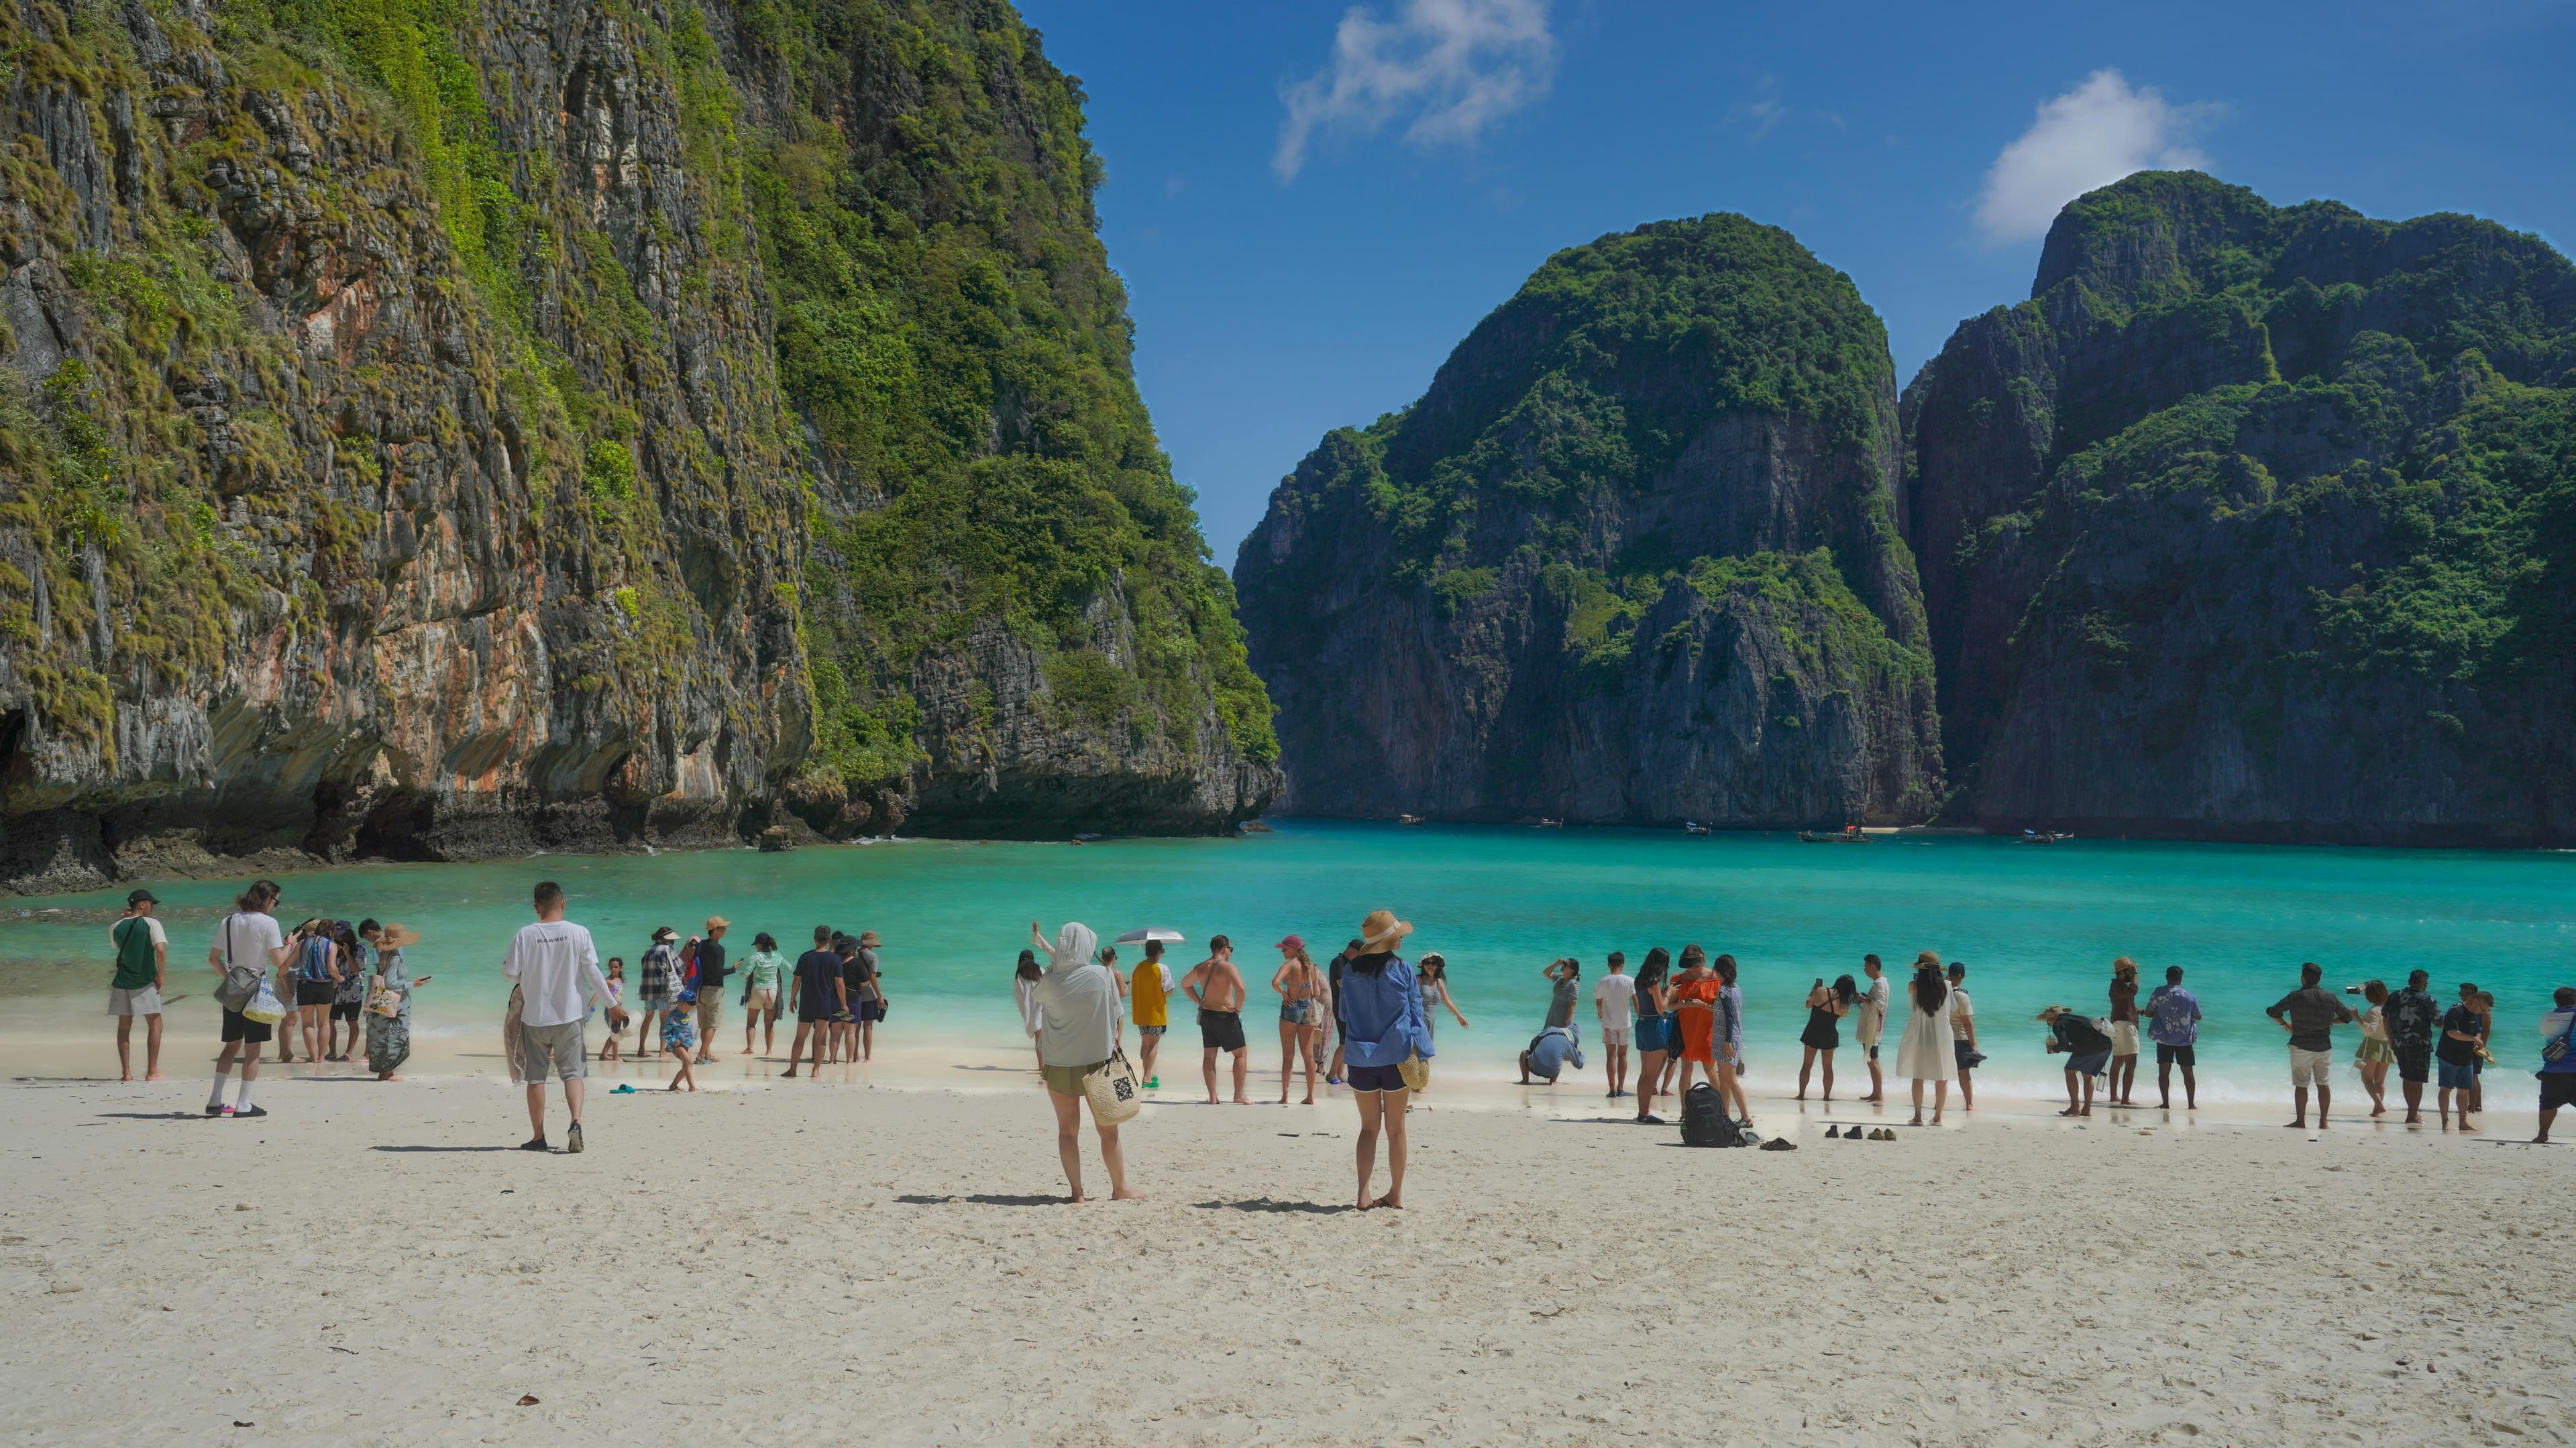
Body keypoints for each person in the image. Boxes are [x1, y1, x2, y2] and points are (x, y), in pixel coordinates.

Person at [1028, 920, 1138, 1202]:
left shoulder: (1049, 982)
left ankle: (1077, 1193)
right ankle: (1120, 1188)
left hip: (1059, 1063)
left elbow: (1039, 993)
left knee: (1067, 1132)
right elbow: (1117, 1013)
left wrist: (1055, 963)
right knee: (1109, 1131)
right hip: (1097, 1062)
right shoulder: (1103, 975)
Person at [502, 881, 616, 1152]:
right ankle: (576, 1122)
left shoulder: (525, 935)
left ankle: (538, 1137)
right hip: (570, 1016)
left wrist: (530, 976)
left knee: (536, 1078)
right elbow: (593, 973)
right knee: (574, 1074)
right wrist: (612, 1005)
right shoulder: (579, 932)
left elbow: (510, 974)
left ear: (536, 908)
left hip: (536, 1017)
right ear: (563, 903)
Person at [1340, 910, 1432, 1211]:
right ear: (1390, 940)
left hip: (1360, 1057)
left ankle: (1363, 1195)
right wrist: (1424, 1050)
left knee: (1368, 1129)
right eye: (1398, 935)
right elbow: (1416, 1012)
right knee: (1396, 1130)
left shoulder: (1350, 972)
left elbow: (1343, 1014)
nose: (1401, 938)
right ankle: (1396, 1194)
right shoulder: (1402, 969)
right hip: (1396, 1057)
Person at [206, 880, 293, 1118]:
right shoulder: (268, 923)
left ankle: (214, 1101)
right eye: (276, 902)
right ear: (267, 899)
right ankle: (244, 1104)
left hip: (234, 989)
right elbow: (278, 961)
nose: (275, 906)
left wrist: (231, 980)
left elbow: (213, 958)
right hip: (257, 991)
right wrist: (290, 944)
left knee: (231, 1045)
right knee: (253, 1048)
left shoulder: (228, 921)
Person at [2265, 962, 2358, 1130]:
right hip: (2324, 1047)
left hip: (2301, 1045)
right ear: (2320, 979)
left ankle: (2301, 1121)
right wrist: (2329, 1022)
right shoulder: (2330, 997)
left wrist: (2283, 1023)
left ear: (2303, 978)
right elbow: (2347, 1018)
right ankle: (2324, 1122)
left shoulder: (2295, 997)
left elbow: (2272, 1011)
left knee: (2301, 1084)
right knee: (2323, 1084)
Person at [1181, 934, 1250, 1105]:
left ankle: (1213, 1097)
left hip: (1207, 1015)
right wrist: (1238, 1009)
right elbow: (1241, 989)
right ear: (1225, 948)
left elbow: (1185, 984)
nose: (1231, 952)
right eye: (1231, 949)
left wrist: (1199, 1001)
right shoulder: (1227, 967)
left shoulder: (1200, 967)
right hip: (1225, 1017)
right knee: (1241, 1054)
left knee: (1209, 1056)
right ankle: (1239, 1095)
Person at [108, 887, 168, 1082]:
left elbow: (117, 946)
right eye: (151, 904)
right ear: (142, 904)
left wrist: (125, 919)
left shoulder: (115, 926)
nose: (153, 908)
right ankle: (152, 1072)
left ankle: (126, 1073)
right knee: (155, 1023)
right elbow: (160, 950)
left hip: (122, 981)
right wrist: (160, 976)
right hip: (144, 981)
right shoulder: (152, 923)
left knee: (124, 1026)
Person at [1892, 955, 1953, 1126]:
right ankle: (1938, 1117)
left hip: (1921, 1035)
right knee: (1941, 1077)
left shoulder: (1914, 986)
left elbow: (1912, 1007)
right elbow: (1952, 1008)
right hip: (1941, 1037)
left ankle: (1918, 1116)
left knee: (1918, 1076)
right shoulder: (1948, 986)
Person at [364, 923, 426, 1079]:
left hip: (385, 1002)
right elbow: (391, 983)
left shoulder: (385, 954)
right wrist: (413, 984)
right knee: (393, 1034)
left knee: (385, 1034)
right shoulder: (395, 955)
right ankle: (387, 1073)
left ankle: (386, 1072)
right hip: (396, 1004)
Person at [782, 927, 846, 1078]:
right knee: (821, 1039)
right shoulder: (835, 960)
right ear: (829, 940)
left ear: (814, 939)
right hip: (825, 1005)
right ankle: (816, 1071)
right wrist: (843, 1004)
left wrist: (792, 999)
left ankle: (793, 1070)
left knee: (800, 1038)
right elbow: (839, 983)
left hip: (807, 1004)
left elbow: (797, 980)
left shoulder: (805, 957)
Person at [1271, 942, 1326, 1105]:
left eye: (1285, 948)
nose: (1282, 951)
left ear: (1295, 949)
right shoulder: (1311, 967)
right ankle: (1310, 1097)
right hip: (1308, 1009)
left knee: (1288, 1056)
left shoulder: (1289, 966)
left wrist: (1284, 995)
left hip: (1291, 1008)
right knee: (1309, 1057)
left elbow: (1275, 983)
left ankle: (1285, 1097)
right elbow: (1317, 993)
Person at [2383, 970, 2440, 1125]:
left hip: (2399, 1043)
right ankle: (2412, 1116)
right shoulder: (2429, 1000)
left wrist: (2390, 1038)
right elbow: (2439, 1022)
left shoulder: (2395, 996)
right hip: (2419, 1045)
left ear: (2409, 981)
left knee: (2407, 1077)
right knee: (2416, 1081)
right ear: (2425, 984)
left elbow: (2385, 1017)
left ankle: (2412, 1112)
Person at [2144, 965, 2202, 1109]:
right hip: (2184, 1040)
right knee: (2188, 1073)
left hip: (2164, 1039)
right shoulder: (2189, 996)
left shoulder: (2158, 993)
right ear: (2180, 979)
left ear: (2166, 977)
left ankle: (2166, 1104)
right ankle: (2191, 1105)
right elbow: (2198, 1016)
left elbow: (2149, 1013)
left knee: (2164, 1073)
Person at [1668, 945, 1721, 1100]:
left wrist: (1702, 1005)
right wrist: (1683, 1005)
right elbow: (1670, 1006)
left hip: (1708, 1030)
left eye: (1694, 965)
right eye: (1688, 966)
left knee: (1710, 1069)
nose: (1691, 969)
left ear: (1701, 961)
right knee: (1686, 1070)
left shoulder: (1715, 978)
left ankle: (1721, 1107)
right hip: (1686, 1031)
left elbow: (1721, 1010)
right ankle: (1685, 1110)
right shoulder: (1678, 979)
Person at [2039, 1005, 2113, 1115]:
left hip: (2092, 1046)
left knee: (2069, 1071)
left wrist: (2053, 1050)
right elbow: (2076, 1047)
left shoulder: (2058, 1023)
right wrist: (2058, 1048)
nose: (2049, 1024)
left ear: (2051, 1019)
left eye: (2048, 1022)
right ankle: (2086, 1110)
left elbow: (2064, 1044)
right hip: (2106, 1045)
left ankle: (2075, 1107)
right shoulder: (2074, 1020)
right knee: (2087, 1075)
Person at [288, 917, 339, 1065]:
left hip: (305, 985)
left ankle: (313, 1058)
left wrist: (280, 975)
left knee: (307, 1024)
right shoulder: (332, 945)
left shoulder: (303, 943)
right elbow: (332, 968)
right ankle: (322, 1057)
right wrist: (340, 978)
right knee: (324, 1023)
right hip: (324, 986)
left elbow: (288, 962)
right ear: (331, 931)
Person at [1630, 948, 1673, 1124]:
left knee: (1645, 1073)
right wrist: (1669, 994)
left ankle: (1642, 1112)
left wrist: (1663, 993)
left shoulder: (1640, 979)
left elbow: (1650, 1002)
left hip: (1641, 1024)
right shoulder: (1654, 981)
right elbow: (1661, 1009)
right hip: (1654, 1025)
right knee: (1651, 1074)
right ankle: (1645, 1113)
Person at [1796, 975, 1856, 1103]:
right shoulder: (1845, 1005)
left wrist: (1813, 991)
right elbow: (1838, 1016)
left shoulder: (1820, 991)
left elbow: (1808, 1005)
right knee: (1828, 1067)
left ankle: (1801, 1095)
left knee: (1807, 1065)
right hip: (1829, 1034)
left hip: (1813, 1031)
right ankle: (1826, 1097)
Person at [1132, 940, 1180, 1088]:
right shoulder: (1162, 968)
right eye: (1162, 951)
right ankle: (1147, 1076)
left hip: (1141, 1011)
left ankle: (1145, 1074)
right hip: (1156, 1012)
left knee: (1145, 1043)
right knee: (1154, 1044)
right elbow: (1169, 990)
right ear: (1159, 952)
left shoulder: (1139, 967)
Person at [2436, 981, 2483, 1131]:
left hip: (2466, 1056)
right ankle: (2445, 1122)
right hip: (2448, 1055)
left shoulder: (2479, 1011)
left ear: (2475, 997)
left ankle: (2463, 1122)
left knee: (2464, 1090)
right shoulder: (2455, 1010)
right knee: (2446, 1088)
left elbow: (2479, 1029)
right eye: (2461, 994)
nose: (2463, 996)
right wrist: (2474, 1039)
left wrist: (2478, 1041)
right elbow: (2452, 1033)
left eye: (2466, 994)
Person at [2534, 986, 2576, 1144]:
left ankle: (2543, 1135)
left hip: (2554, 1068)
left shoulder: (2548, 1017)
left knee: (2548, 1103)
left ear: (2557, 1001)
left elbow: (2544, 1033)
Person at [1715, 955, 1752, 1123]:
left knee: (1730, 1080)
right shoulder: (1735, 988)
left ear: (1718, 971)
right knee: (1723, 1079)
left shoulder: (1724, 991)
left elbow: (1729, 1018)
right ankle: (1725, 1115)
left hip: (1726, 1038)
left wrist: (1727, 1042)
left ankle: (1746, 1118)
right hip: (1733, 1036)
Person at [1594, 952, 1635, 1099]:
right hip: (1625, 1023)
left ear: (1609, 965)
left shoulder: (1603, 981)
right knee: (1623, 1055)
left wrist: (1600, 1012)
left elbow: (1599, 1001)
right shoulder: (1630, 980)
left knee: (1611, 1056)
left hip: (1608, 1024)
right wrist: (1640, 1015)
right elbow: (1635, 1000)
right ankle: (1621, 1088)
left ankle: (1612, 1090)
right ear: (1622, 965)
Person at [739, 933, 786, 1058]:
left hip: (758, 992)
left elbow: (746, 974)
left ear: (759, 944)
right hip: (772, 992)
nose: (756, 947)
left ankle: (750, 1048)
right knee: (769, 1024)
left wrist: (740, 973)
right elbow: (790, 968)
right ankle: (769, 1052)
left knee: (751, 1023)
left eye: (756, 944)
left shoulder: (755, 956)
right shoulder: (777, 956)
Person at [2351, 979, 2394, 1116]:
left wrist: (2356, 1017)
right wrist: (2364, 987)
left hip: (2373, 1045)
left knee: (2367, 1078)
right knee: (2379, 1081)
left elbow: (2371, 1030)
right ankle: (2377, 1109)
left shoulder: (2374, 1011)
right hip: (2388, 1045)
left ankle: (2379, 1105)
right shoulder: (2390, 1007)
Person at [841, 932, 885, 1062]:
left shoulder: (853, 954)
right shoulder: (873, 956)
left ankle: (855, 1056)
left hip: (854, 994)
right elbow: (872, 976)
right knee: (868, 1026)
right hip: (868, 995)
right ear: (872, 944)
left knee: (855, 1027)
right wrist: (879, 996)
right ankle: (867, 1058)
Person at [327, 921, 368, 1062]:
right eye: (337, 935)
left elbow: (357, 969)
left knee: (352, 1022)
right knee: (330, 1022)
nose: (338, 938)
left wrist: (347, 954)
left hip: (353, 992)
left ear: (349, 934)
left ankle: (348, 1053)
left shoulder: (360, 949)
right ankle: (332, 1052)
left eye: (341, 935)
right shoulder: (334, 948)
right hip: (335, 991)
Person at [635, 927, 679, 1058]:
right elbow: (680, 967)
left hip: (647, 989)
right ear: (666, 938)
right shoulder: (668, 949)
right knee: (664, 1020)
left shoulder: (649, 949)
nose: (673, 941)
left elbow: (643, 966)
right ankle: (662, 1051)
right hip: (661, 989)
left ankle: (641, 1049)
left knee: (648, 1018)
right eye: (671, 939)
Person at [691, 917, 730, 1063]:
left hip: (700, 989)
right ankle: (701, 1056)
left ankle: (707, 1054)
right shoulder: (719, 949)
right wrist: (733, 969)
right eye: (722, 928)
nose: (725, 930)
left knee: (704, 1025)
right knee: (712, 1026)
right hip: (714, 990)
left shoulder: (701, 945)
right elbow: (718, 972)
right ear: (715, 930)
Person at [1854, 954, 1890, 1103]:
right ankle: (1875, 1093)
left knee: (1873, 1061)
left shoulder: (1880, 983)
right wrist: (1864, 999)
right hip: (1873, 1025)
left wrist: (1863, 999)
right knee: (1872, 1060)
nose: (1865, 970)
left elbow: (1880, 1004)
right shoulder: (1880, 982)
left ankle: (1878, 1095)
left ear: (1873, 967)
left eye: (1866, 967)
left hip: (1873, 1027)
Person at [2106, 958, 2143, 1105]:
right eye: (2129, 971)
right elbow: (2134, 990)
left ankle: (2114, 1096)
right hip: (2126, 1026)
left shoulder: (2117, 987)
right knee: (2130, 1063)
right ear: (2122, 973)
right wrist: (2136, 975)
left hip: (2118, 1025)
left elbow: (2126, 1006)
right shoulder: (2118, 986)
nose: (2131, 974)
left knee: (2118, 1061)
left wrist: (2142, 1012)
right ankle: (2125, 1099)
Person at [1325, 938, 1361, 1084]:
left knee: (1348, 1041)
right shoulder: (1338, 962)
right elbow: (1341, 983)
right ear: (1351, 950)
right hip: (1341, 1008)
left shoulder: (1348, 963)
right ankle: (1331, 1074)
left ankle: (1340, 1074)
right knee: (1345, 1042)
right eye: (1359, 954)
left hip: (1349, 1008)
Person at [1946, 960, 1979, 1111]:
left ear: (1948, 974)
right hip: (1960, 1038)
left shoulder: (1941, 993)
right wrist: (1974, 1045)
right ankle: (1969, 1104)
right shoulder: (1962, 996)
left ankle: (1938, 1104)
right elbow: (1967, 1023)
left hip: (1944, 1037)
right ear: (1963, 977)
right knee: (1963, 1073)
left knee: (1943, 1072)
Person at [1517, 1024, 1583, 1084]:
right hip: (1552, 1072)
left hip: (1534, 1066)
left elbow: (1534, 1042)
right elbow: (1580, 1065)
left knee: (1524, 1053)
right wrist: (1580, 1054)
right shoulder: (1570, 1045)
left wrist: (1533, 1052)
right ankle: (1553, 1082)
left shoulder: (1551, 1029)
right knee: (1558, 1057)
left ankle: (1525, 1081)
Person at [1013, 949, 1044, 1070]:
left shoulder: (1019, 977)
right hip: (1046, 1008)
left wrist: (1027, 1014)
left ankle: (1042, 1067)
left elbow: (1020, 998)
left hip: (1034, 1014)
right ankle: (1048, 1067)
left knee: (1039, 1041)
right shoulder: (1040, 970)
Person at [663, 993, 700, 1091]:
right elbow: (665, 1033)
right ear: (679, 1004)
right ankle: (692, 1087)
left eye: (690, 1009)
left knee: (687, 1066)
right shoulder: (672, 1017)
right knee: (688, 1063)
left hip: (686, 1044)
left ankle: (673, 1086)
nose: (688, 1011)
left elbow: (689, 1030)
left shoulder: (686, 1015)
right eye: (687, 1008)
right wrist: (674, 1041)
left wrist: (690, 1041)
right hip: (677, 1045)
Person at [597, 958, 627, 1064]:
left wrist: (623, 1010)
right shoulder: (608, 981)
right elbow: (598, 992)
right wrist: (590, 1005)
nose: (613, 969)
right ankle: (615, 1057)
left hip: (618, 1009)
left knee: (615, 1032)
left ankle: (604, 1054)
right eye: (611, 967)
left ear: (620, 968)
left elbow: (618, 999)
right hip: (611, 1010)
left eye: (616, 967)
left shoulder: (620, 980)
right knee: (616, 1032)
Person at [1542, 958, 1580, 1030]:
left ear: (1571, 971)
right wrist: (1556, 964)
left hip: (1562, 1018)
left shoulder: (1573, 985)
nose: (1562, 965)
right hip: (1553, 1015)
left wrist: (1565, 1022)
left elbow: (1572, 1005)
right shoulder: (1560, 977)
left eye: (1565, 965)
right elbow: (1545, 973)